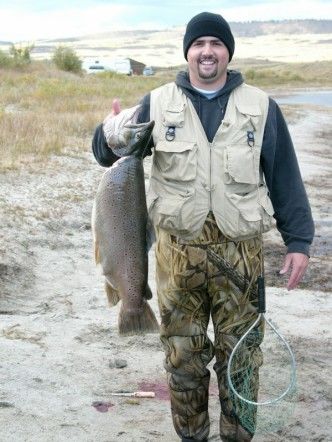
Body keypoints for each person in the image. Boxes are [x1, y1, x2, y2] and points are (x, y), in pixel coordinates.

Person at [92, 11, 314, 442]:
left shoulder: (262, 107)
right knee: (183, 359)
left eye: (216, 44)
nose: (207, 51)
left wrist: (299, 240)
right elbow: (111, 156)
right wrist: (107, 132)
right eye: (199, 44)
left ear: (228, 52)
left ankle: (237, 437)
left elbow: (285, 176)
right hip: (177, 257)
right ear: (188, 52)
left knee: (243, 358)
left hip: (242, 260)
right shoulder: (157, 102)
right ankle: (192, 437)